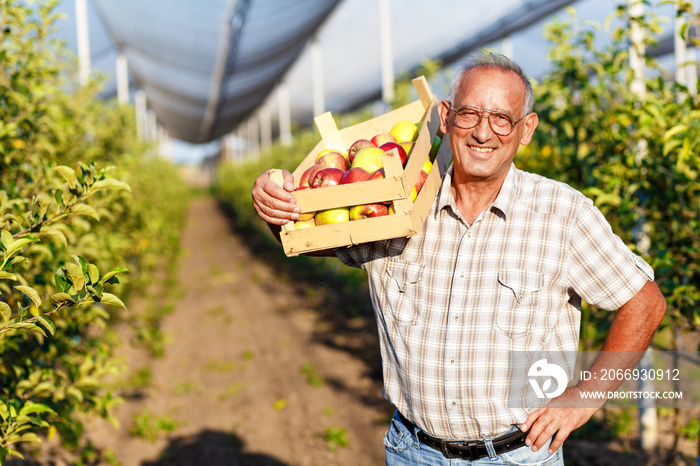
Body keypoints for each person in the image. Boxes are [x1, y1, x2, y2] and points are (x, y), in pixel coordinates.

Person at [251, 51, 666, 465]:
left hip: (516, 454)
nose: (483, 133)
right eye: (469, 114)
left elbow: (644, 301)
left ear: (526, 129)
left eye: (502, 118)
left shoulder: (561, 213)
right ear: (446, 117)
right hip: (414, 452)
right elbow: (306, 240)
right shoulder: (395, 201)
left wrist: (584, 398)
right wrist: (277, 207)